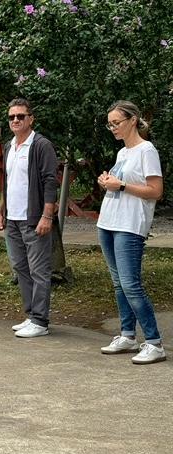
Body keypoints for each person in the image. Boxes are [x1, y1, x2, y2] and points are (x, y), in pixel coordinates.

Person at [97, 100, 166, 364]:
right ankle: (128, 335)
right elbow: (119, 184)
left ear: (133, 120)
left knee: (131, 285)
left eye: (117, 122)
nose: (113, 128)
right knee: (119, 284)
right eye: (110, 124)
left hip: (129, 225)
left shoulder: (146, 150)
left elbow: (156, 191)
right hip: (109, 222)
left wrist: (122, 185)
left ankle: (154, 342)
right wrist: (108, 183)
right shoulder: (123, 153)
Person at [0, 98, 57, 338]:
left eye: (21, 116)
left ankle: (40, 321)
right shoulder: (9, 146)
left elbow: (50, 182)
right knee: (20, 267)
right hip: (12, 219)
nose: (16, 120)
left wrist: (46, 216)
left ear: (31, 119)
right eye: (11, 117)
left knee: (39, 270)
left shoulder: (41, 145)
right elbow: (7, 182)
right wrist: (1, 211)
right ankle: (31, 315)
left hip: (34, 218)